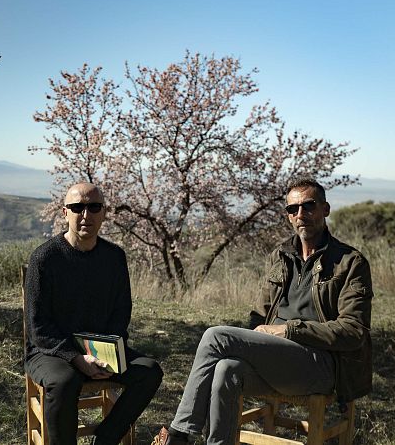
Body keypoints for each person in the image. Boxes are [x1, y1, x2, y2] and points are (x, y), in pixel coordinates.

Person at [152, 178, 373, 445]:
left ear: (325, 209)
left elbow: (353, 331)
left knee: (215, 336)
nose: (300, 214)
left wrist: (289, 330)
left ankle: (178, 436)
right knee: (226, 369)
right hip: (278, 359)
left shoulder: (349, 262)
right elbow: (259, 316)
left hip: (322, 366)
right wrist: (257, 345)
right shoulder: (280, 256)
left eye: (308, 206)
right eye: (292, 209)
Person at [24, 182, 163, 445]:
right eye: (77, 208)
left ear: (104, 213)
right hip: (51, 351)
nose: (85, 215)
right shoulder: (45, 258)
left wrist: (106, 354)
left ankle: (105, 440)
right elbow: (37, 326)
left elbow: (121, 312)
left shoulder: (114, 257)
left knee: (149, 371)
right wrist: (76, 358)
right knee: (64, 382)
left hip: (100, 349)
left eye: (94, 207)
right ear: (65, 212)